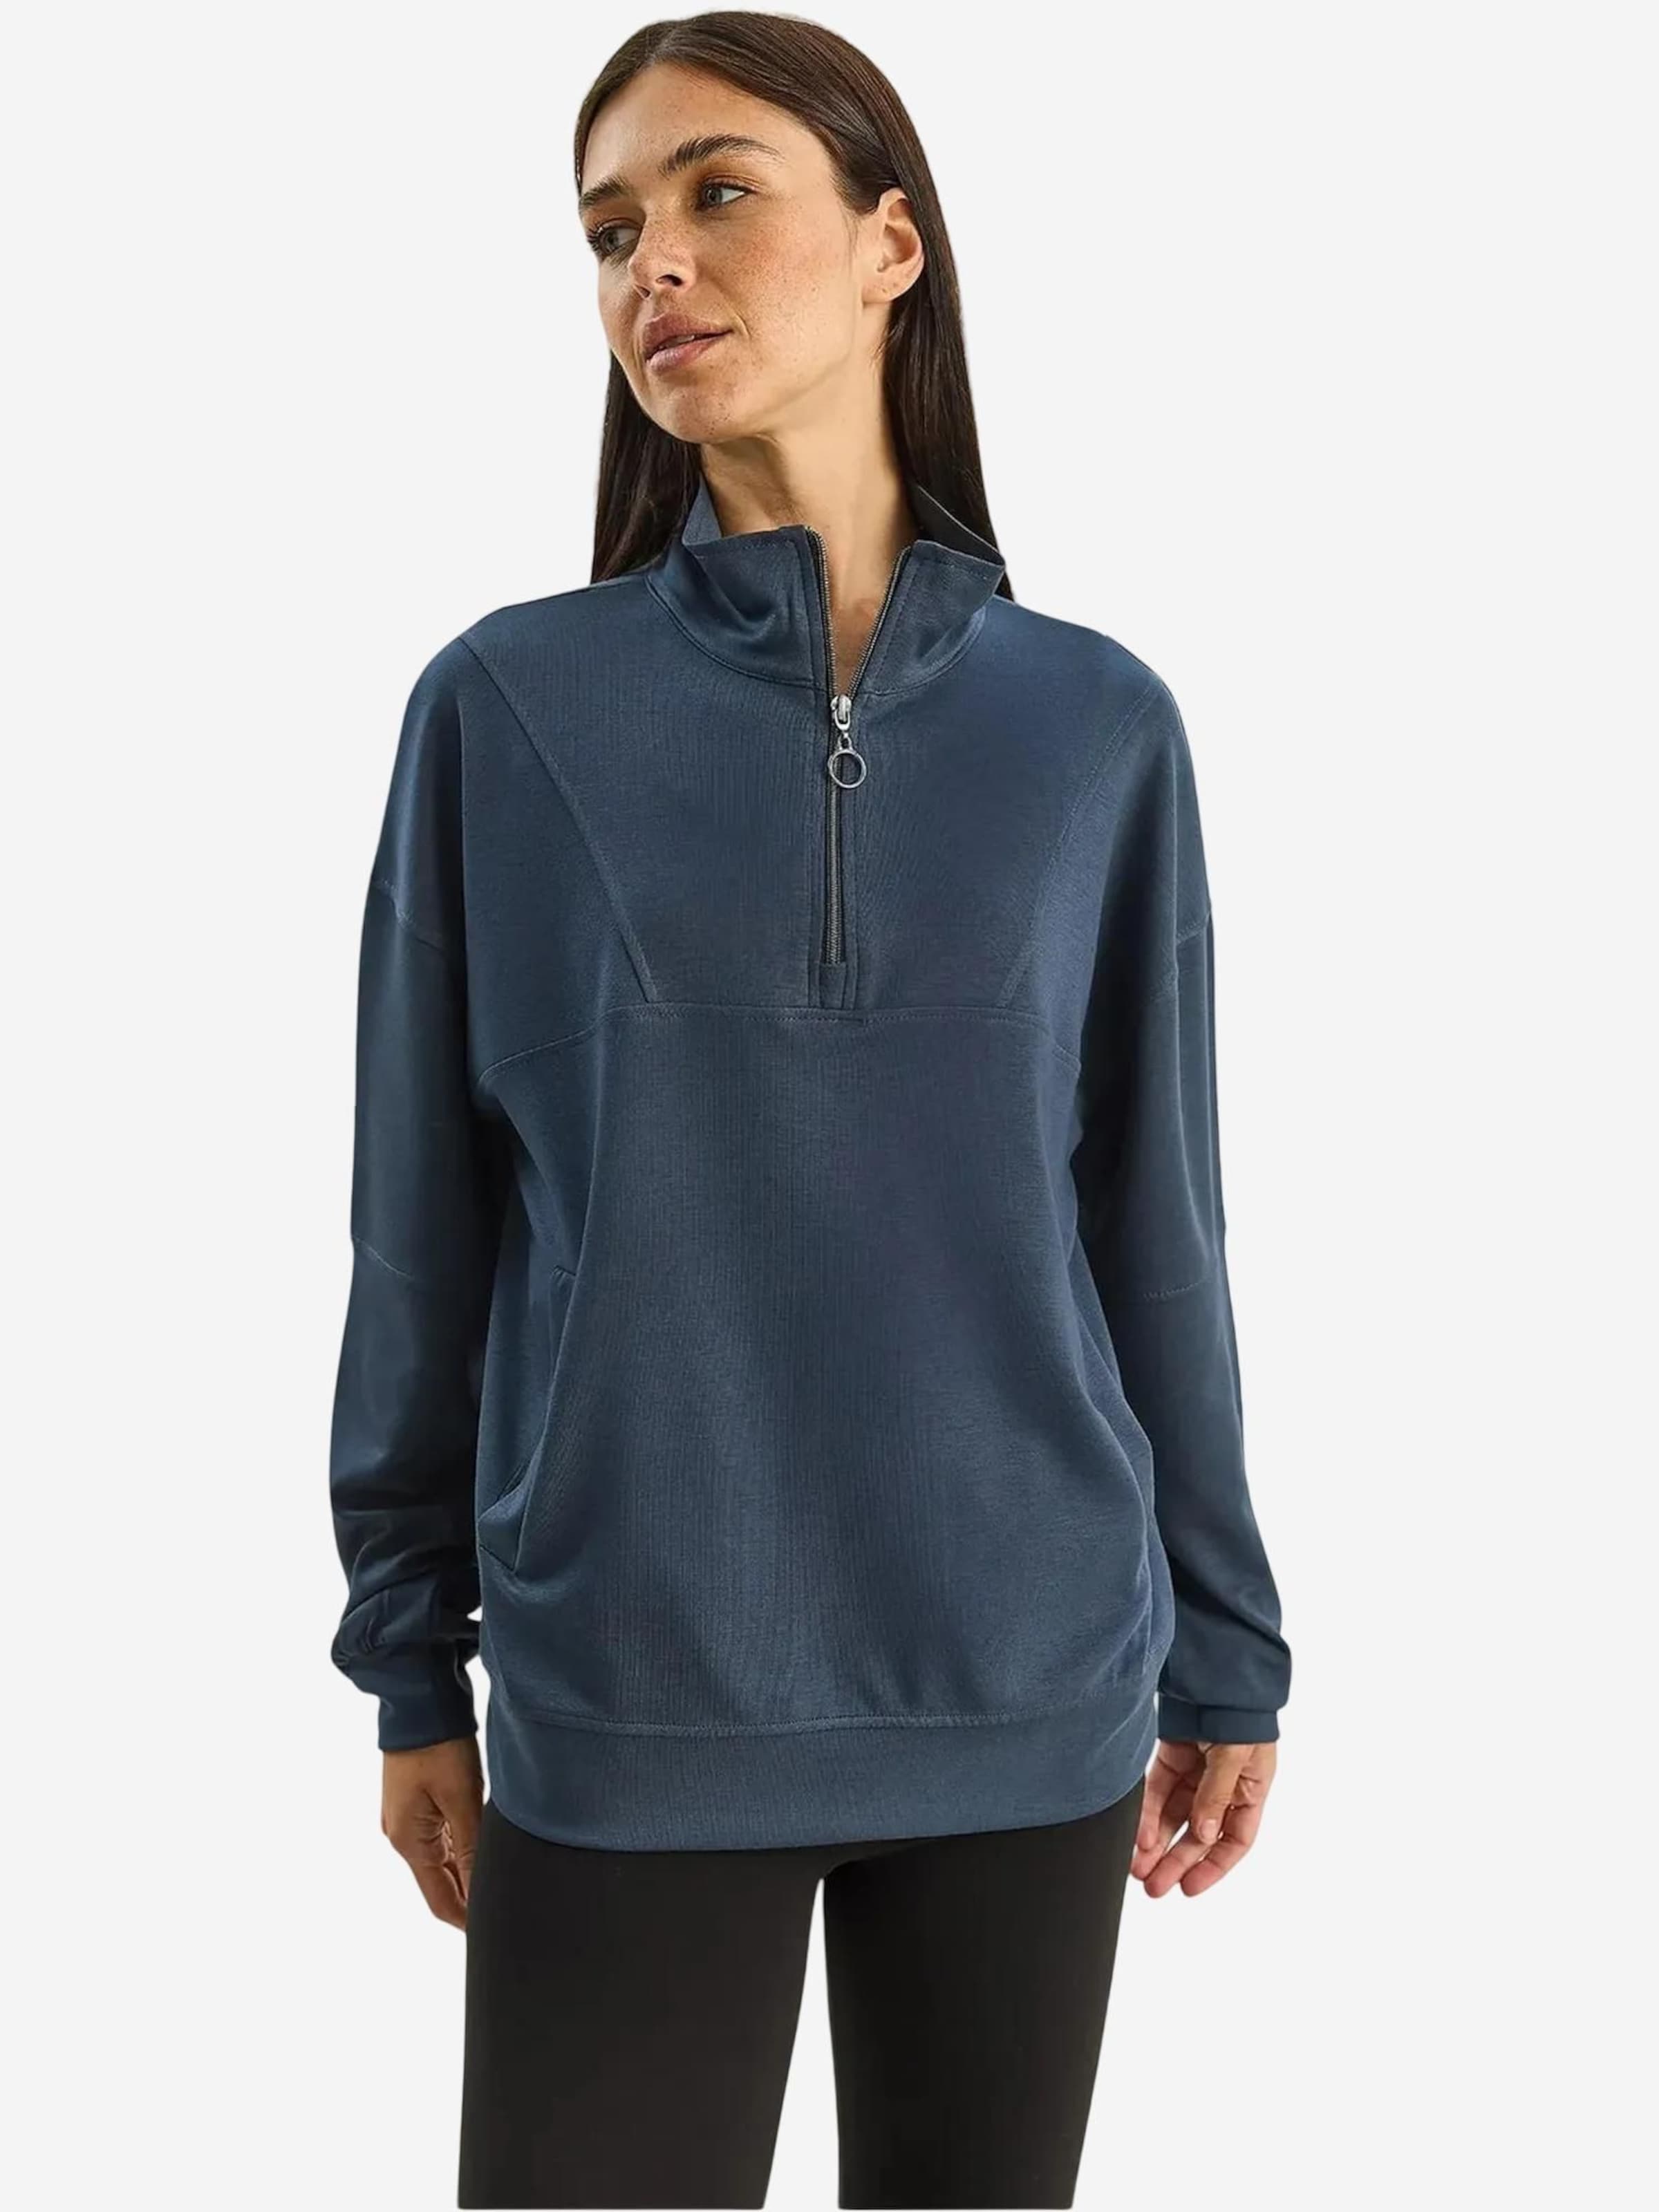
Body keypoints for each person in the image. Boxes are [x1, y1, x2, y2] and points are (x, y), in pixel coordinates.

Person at [327, 12, 1291, 2206]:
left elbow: (1158, 1228)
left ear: (890, 248)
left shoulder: (1096, 728)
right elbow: (418, 1228)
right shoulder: (506, 711)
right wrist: (411, 1665)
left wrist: (1226, 1641)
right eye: (609, 231)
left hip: (1030, 1689)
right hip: (631, 1690)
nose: (650, 264)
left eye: (716, 192)